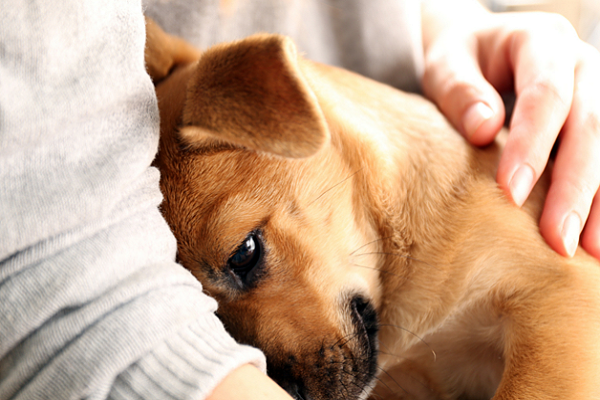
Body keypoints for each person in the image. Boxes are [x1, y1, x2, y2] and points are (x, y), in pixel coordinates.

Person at [0, 1, 598, 400]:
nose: (261, 350)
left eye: (247, 257)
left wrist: (442, 26)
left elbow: (576, 307)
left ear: (275, 111)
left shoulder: (464, 216)